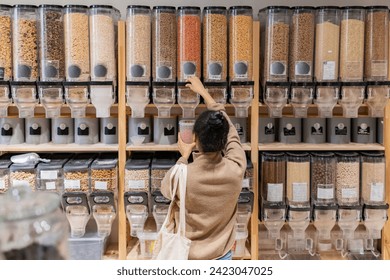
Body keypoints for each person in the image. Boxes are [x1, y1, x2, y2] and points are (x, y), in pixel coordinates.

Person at [161, 76, 247, 260]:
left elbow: (166, 190)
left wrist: (184, 156)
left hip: (187, 256)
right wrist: (205, 94)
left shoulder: (183, 175)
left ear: (195, 139)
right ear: (224, 141)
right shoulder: (237, 168)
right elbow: (232, 134)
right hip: (222, 256)